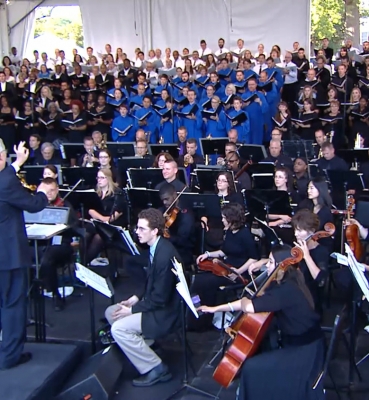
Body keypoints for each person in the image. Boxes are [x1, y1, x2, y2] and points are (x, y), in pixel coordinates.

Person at [199, 244, 325, 400]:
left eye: (271, 262)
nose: (267, 265)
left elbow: (249, 306)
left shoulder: (285, 291)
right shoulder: (291, 281)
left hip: (304, 352)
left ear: (281, 266)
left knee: (251, 368)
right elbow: (248, 304)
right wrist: (215, 309)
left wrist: (246, 299)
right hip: (305, 343)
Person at [104, 208, 180, 387]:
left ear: (155, 231)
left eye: (142, 229)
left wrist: (131, 310)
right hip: (154, 304)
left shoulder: (164, 255)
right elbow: (149, 281)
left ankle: (157, 368)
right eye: (137, 228)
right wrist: (135, 298)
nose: (137, 233)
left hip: (164, 313)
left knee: (118, 329)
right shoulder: (156, 247)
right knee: (111, 312)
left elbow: (160, 299)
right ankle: (146, 349)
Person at [0, 140, 49, 369]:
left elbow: (7, 173)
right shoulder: (6, 183)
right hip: (8, 256)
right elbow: (33, 204)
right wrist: (43, 194)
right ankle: (10, 356)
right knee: (13, 305)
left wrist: (19, 161)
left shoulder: (6, 177)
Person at [37, 178, 77, 311]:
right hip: (39, 242)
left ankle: (55, 294)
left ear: (57, 190)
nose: (49, 194)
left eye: (52, 190)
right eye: (45, 191)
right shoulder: (36, 204)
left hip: (61, 243)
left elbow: (74, 226)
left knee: (47, 259)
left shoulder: (65, 205)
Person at [83, 168, 125, 264]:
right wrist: (101, 218)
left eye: (102, 178)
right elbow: (89, 209)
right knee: (85, 235)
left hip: (110, 225)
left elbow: (116, 214)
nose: (99, 180)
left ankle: (84, 263)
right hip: (96, 223)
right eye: (98, 178)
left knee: (99, 237)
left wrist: (100, 218)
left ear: (109, 178)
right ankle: (82, 261)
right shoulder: (94, 193)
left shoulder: (117, 193)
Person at [158, 183, 195, 266]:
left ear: (174, 195)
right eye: (162, 200)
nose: (164, 202)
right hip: (167, 249)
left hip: (182, 252)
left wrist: (167, 237)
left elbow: (182, 240)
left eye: (167, 199)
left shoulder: (185, 214)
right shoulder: (164, 210)